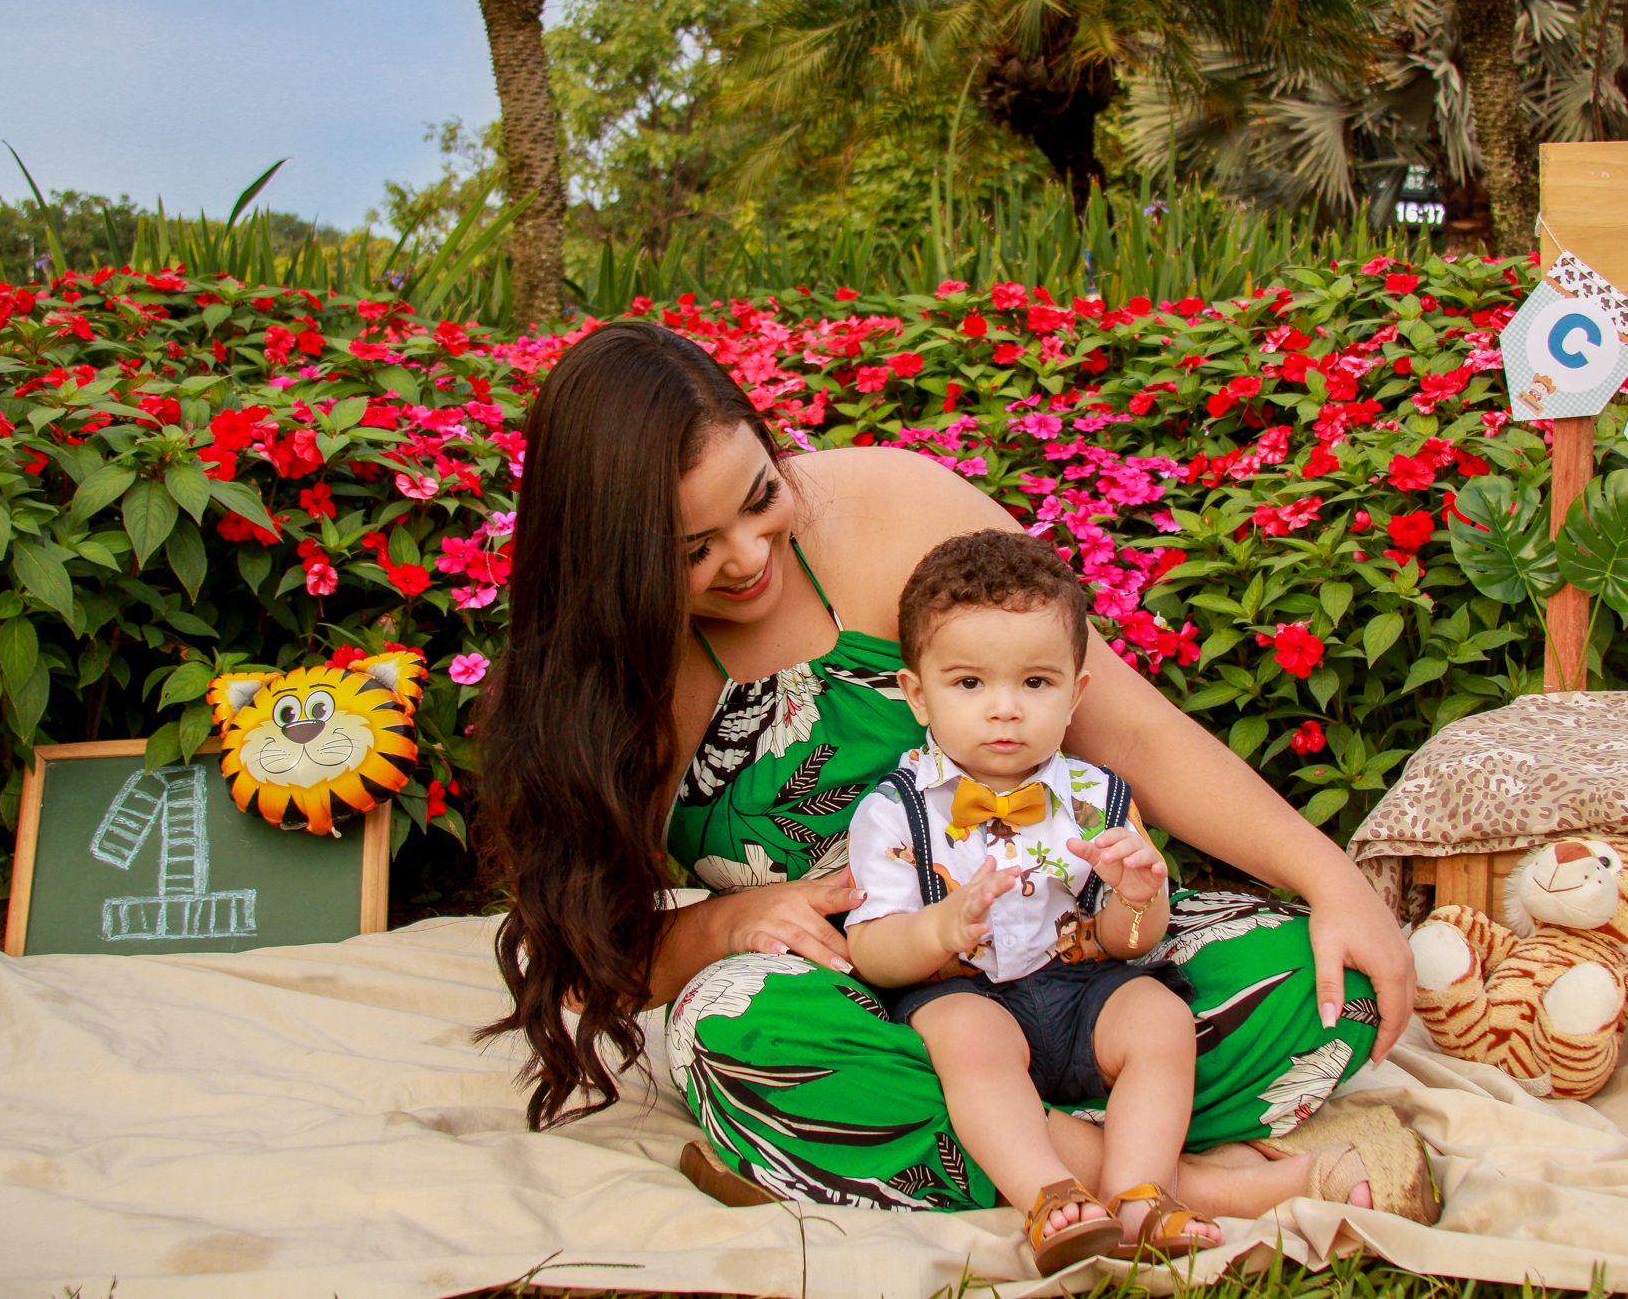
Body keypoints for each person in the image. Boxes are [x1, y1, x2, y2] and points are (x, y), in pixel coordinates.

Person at [477, 318, 1425, 1228]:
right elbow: (588, 958)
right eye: (693, 552)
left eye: (761, 499)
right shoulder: (595, 694)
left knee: (1322, 978)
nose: (749, 556)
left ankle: (921, 1156)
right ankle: (1170, 1179)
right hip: (858, 1003)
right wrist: (727, 923)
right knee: (742, 1040)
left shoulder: (892, 508)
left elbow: (1131, 732)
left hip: (1067, 963)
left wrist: (1331, 877)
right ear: (612, 563)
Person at [843, 529, 1217, 1269]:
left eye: (1035, 683)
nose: (1005, 710)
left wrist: (1141, 896)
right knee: (965, 1037)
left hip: (1081, 987)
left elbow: (1127, 941)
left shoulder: (1097, 795)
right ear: (918, 692)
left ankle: (1142, 1192)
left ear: (1076, 692)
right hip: (968, 992)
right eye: (970, 684)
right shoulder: (895, 810)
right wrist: (940, 926)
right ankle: (1048, 1195)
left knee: (1161, 1015)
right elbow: (872, 950)